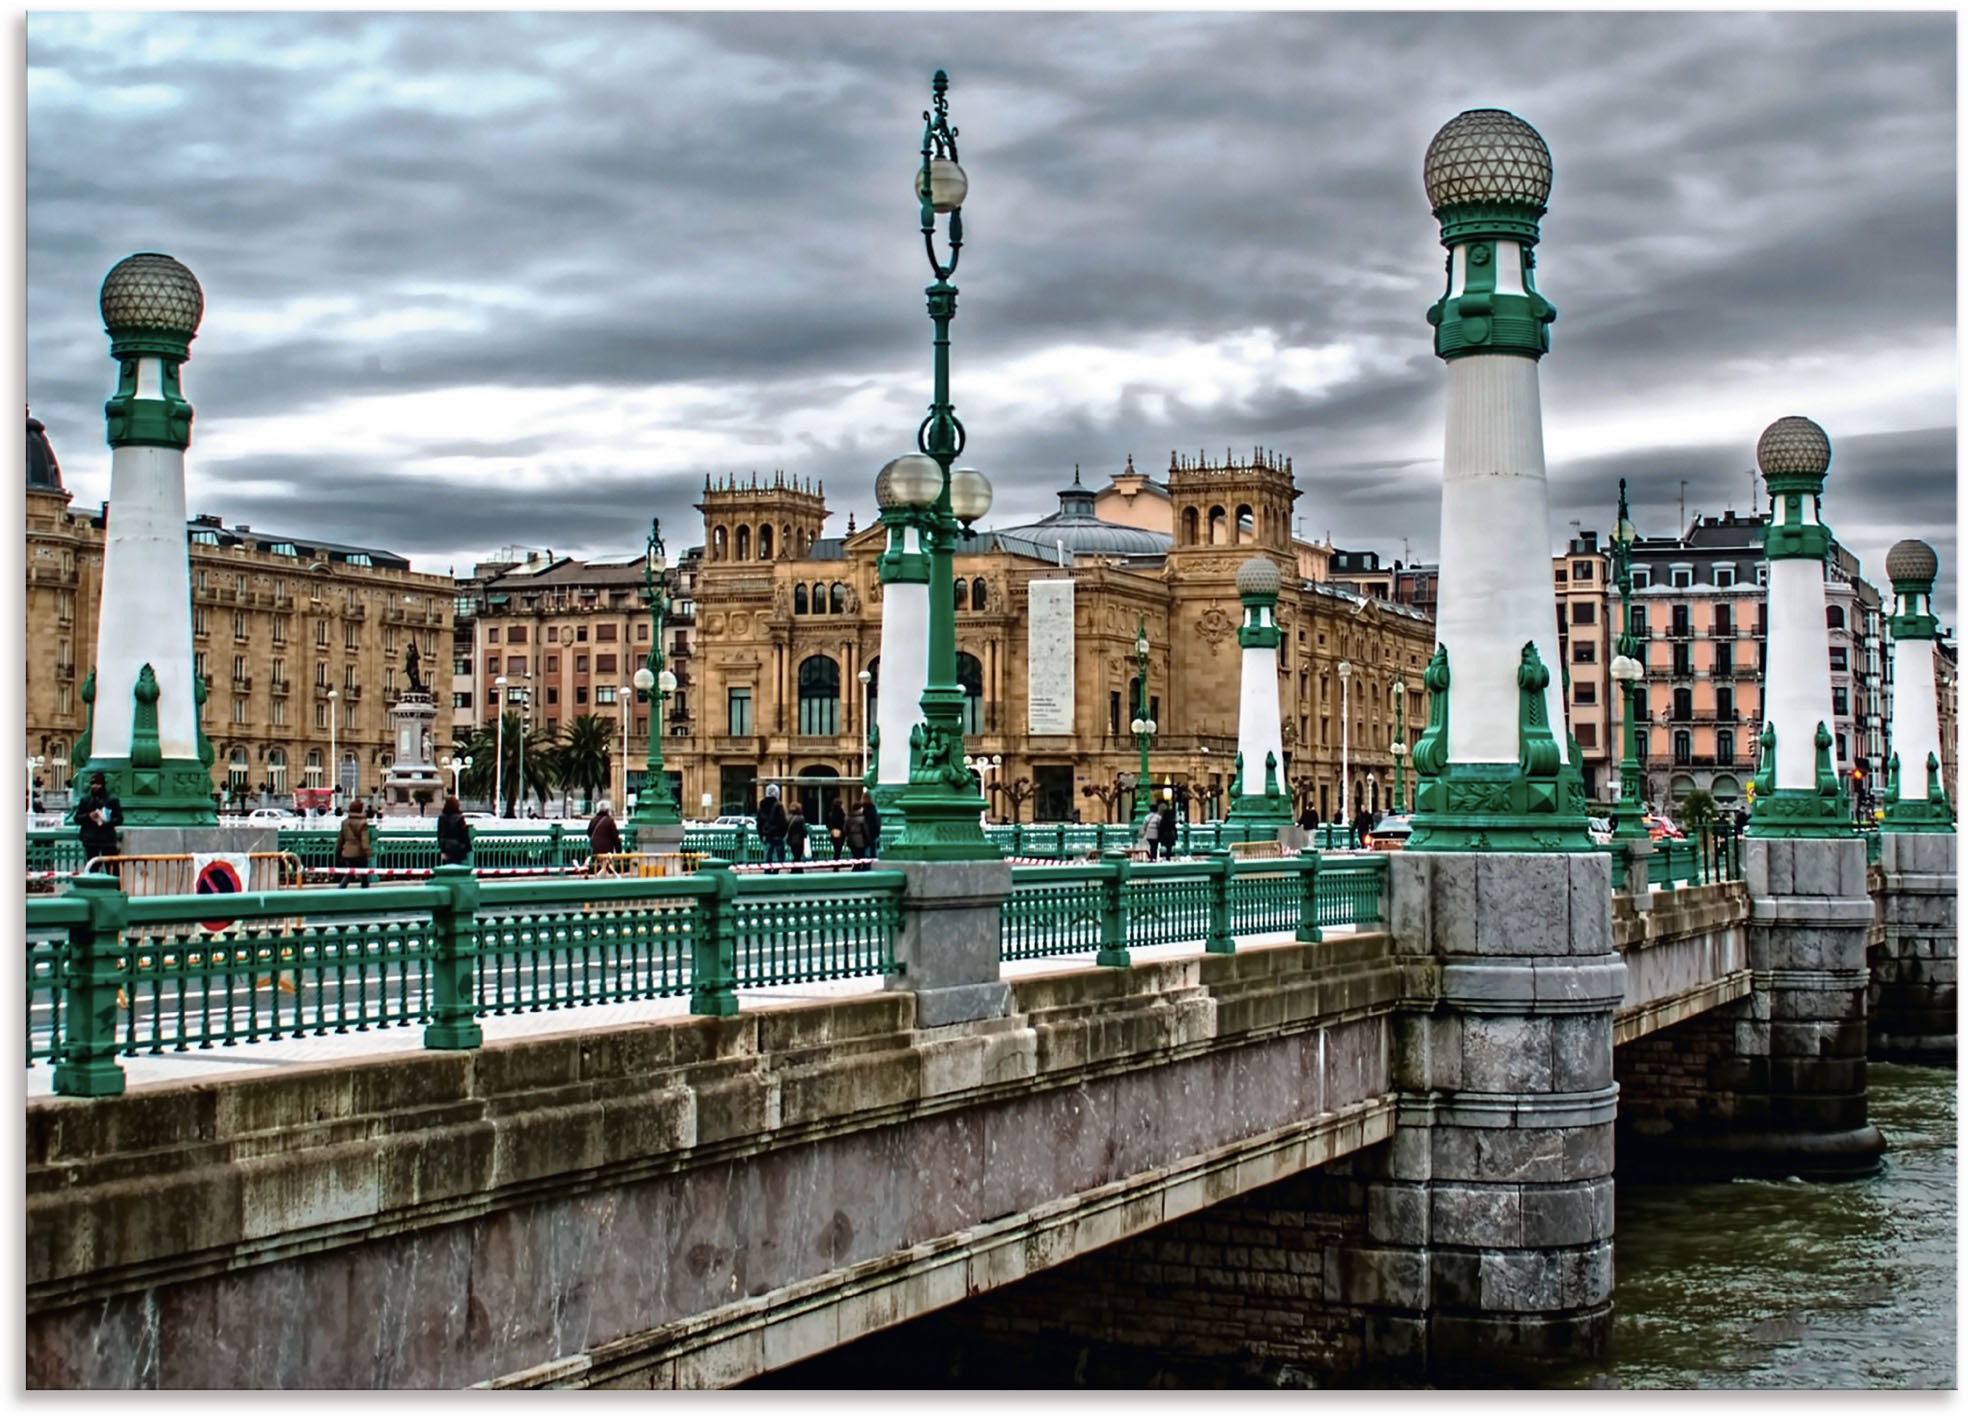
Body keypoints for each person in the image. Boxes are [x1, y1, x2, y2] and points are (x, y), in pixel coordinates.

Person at [73, 771, 123, 864]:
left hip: (106, 839)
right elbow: (77, 818)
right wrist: (89, 816)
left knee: (112, 868)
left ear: (103, 784)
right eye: (93, 784)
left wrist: (107, 821)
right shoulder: (85, 800)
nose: (95, 786)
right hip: (91, 840)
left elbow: (119, 819)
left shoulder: (112, 800)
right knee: (93, 868)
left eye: (98, 784)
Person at [336, 801, 374, 888]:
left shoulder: (345, 822)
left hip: (347, 853)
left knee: (350, 873)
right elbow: (364, 840)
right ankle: (364, 892)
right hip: (359, 853)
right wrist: (368, 852)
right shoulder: (363, 823)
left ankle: (341, 888)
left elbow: (340, 839)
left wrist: (338, 852)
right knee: (363, 875)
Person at [756, 784, 789, 870]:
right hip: (778, 834)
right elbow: (783, 821)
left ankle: (767, 870)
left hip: (767, 834)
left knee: (768, 854)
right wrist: (783, 833)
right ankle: (776, 871)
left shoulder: (762, 805)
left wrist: (761, 834)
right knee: (780, 855)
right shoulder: (778, 805)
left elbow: (759, 822)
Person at [436, 795, 472, 866]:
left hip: (446, 846)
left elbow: (439, 833)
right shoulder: (459, 817)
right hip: (457, 846)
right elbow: (463, 834)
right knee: (458, 865)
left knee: (448, 866)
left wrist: (441, 848)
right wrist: (468, 847)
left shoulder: (441, 817)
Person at [587, 799, 621, 866]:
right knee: (606, 868)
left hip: (595, 849)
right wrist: (618, 851)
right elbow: (615, 837)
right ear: (608, 810)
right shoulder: (609, 821)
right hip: (607, 851)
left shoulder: (593, 820)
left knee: (598, 868)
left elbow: (589, 832)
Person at [859, 794, 881, 867]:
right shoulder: (873, 808)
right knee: (873, 850)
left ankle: (865, 865)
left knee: (865, 850)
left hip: (866, 833)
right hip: (874, 832)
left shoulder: (863, 810)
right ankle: (873, 865)